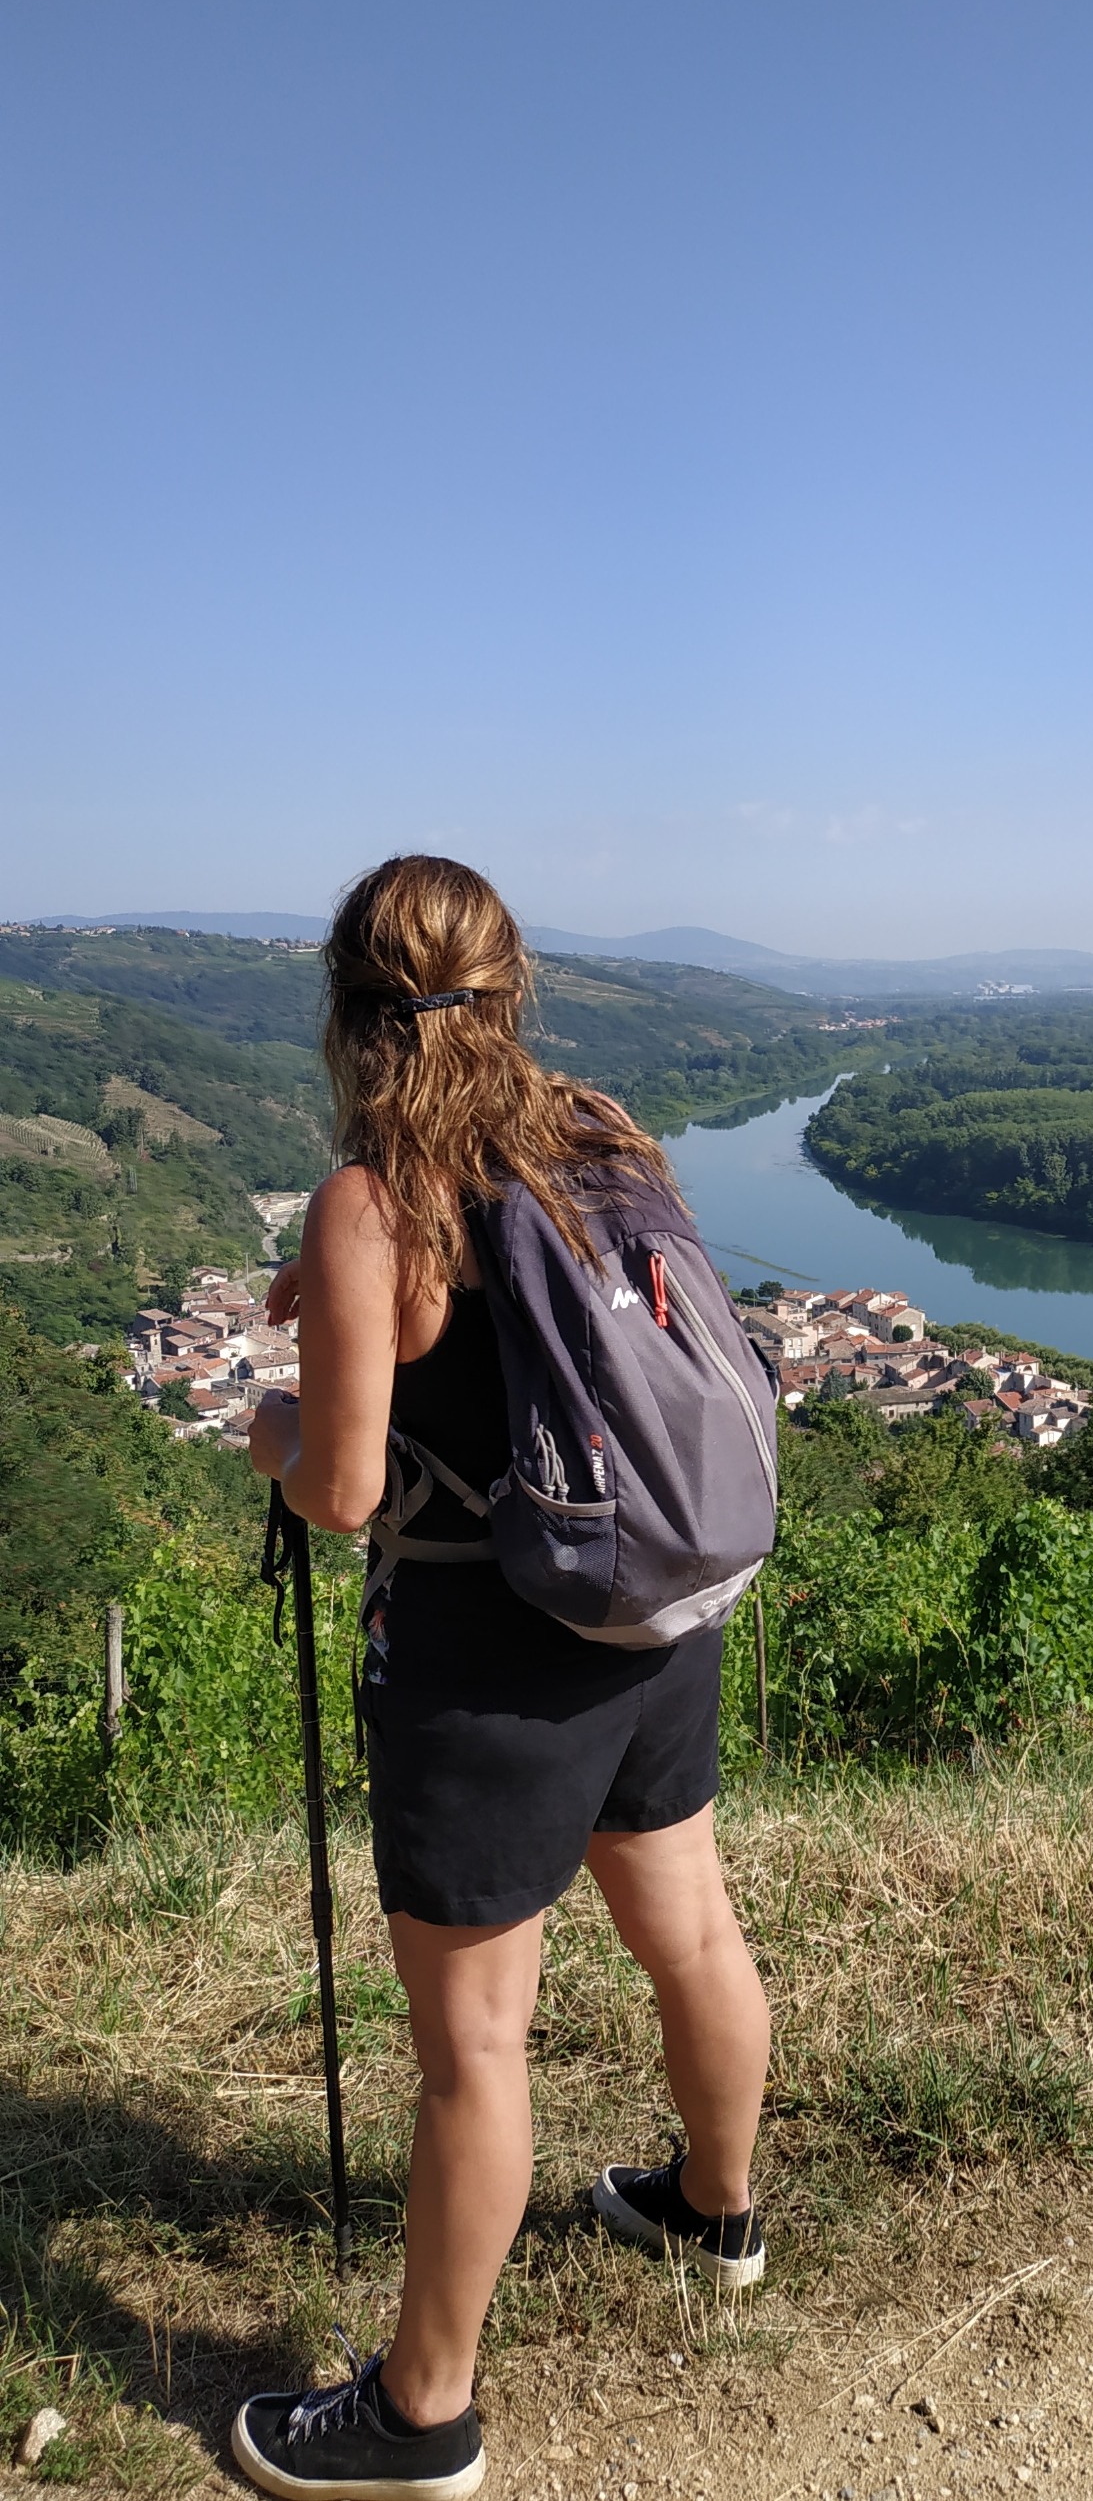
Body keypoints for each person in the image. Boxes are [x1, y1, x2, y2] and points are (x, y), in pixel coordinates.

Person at [233, 856, 771, 2501]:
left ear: (346, 1010)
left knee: (476, 2042)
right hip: (655, 1613)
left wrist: (271, 1415)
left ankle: (424, 2412)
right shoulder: (595, 1134)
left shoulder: (373, 1199)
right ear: (510, 986)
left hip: (489, 1654)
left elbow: (338, 1489)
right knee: (689, 1921)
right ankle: (715, 2209)